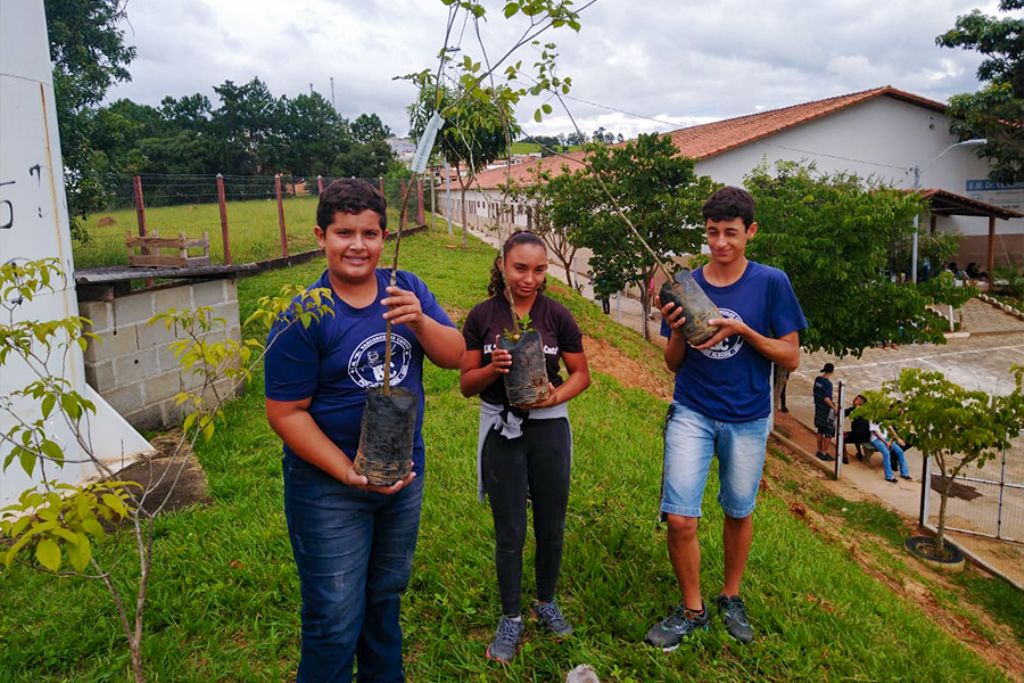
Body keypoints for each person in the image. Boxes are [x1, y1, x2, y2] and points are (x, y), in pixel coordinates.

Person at [263, 179, 465, 682]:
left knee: (384, 602)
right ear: (320, 236)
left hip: (403, 477)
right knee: (332, 620)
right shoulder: (305, 315)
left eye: (370, 233)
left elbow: (455, 355)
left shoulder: (406, 289)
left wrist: (419, 322)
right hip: (328, 488)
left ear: (384, 236)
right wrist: (348, 472)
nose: (358, 245)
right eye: (344, 232)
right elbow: (285, 413)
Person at [645, 187, 806, 649]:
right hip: (692, 411)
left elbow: (791, 357)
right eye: (713, 233)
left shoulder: (771, 282)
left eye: (731, 233)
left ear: (750, 232)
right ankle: (692, 609)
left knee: (738, 510)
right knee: (680, 518)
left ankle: (731, 595)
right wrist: (675, 329)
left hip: (748, 419)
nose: (720, 243)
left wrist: (743, 330)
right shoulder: (686, 286)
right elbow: (673, 363)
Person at [460, 230, 591, 663]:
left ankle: (546, 600)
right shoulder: (482, 317)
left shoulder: (558, 317)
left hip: (549, 429)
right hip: (502, 430)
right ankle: (511, 616)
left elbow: (580, 375)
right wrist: (492, 368)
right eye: (520, 268)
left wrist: (556, 395)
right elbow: (466, 384)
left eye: (538, 270)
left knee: (551, 523)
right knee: (511, 530)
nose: (529, 278)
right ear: (502, 264)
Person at [813, 363, 839, 462]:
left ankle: (819, 450)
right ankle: (824, 453)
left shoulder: (818, 379)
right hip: (826, 410)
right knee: (829, 432)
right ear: (832, 371)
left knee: (820, 430)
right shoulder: (828, 384)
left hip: (818, 408)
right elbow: (827, 399)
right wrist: (834, 408)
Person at [843, 394, 871, 460]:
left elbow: (843, 413)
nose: (853, 400)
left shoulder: (854, 409)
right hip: (867, 436)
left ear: (861, 403)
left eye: (856, 399)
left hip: (857, 435)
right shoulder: (867, 411)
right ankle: (859, 453)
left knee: (841, 437)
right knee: (855, 433)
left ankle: (844, 456)